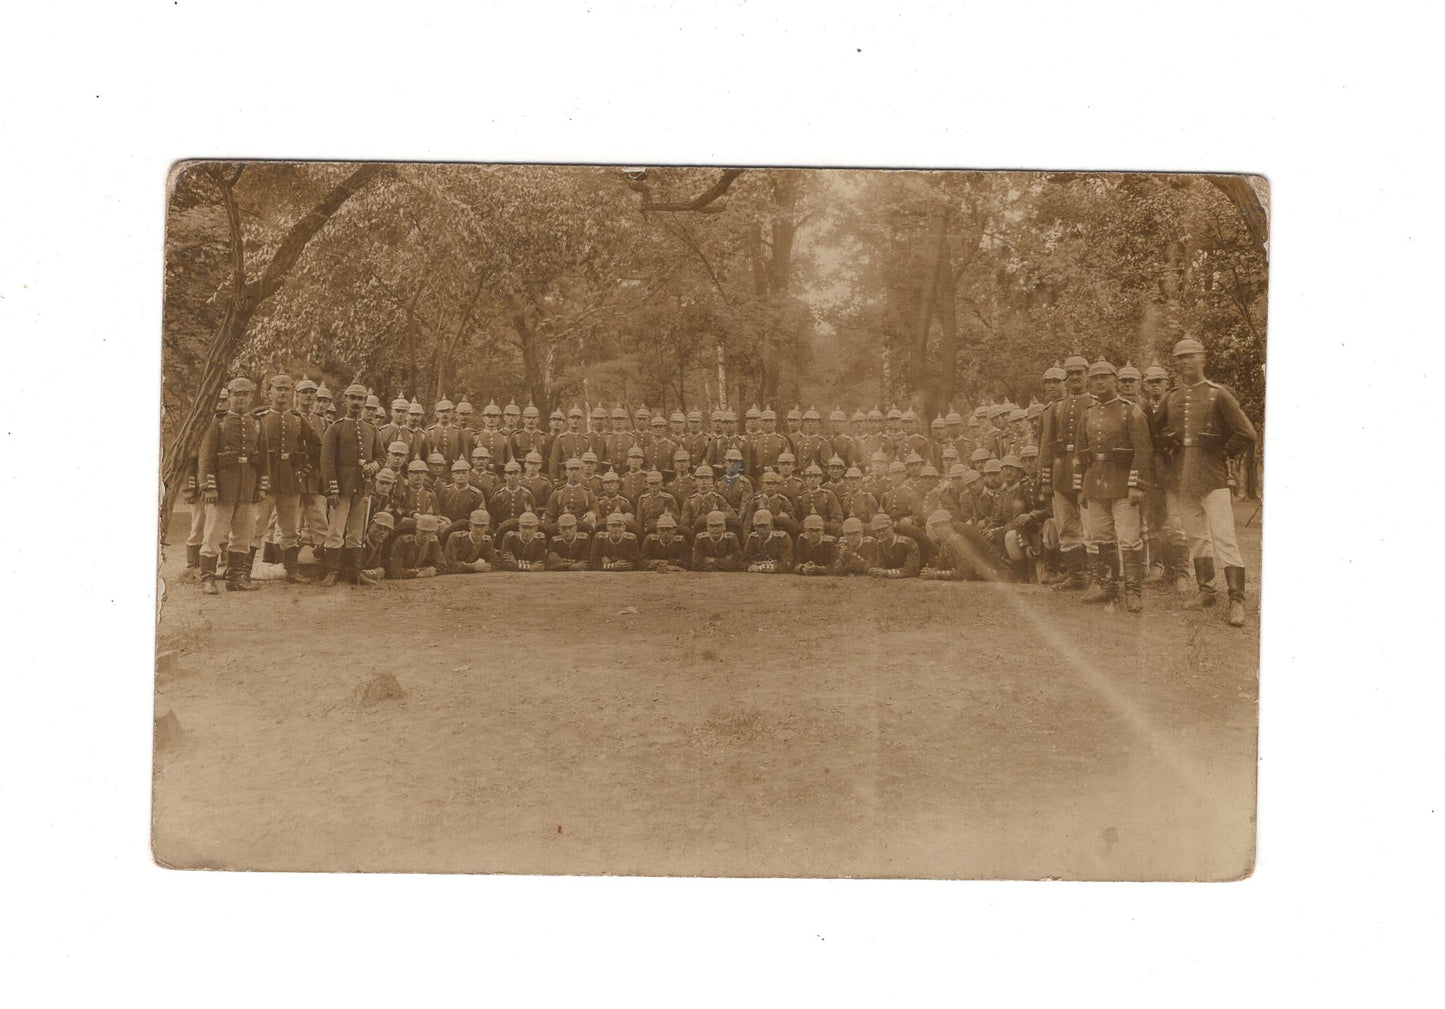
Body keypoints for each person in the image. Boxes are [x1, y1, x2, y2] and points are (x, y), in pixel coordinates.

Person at [1155, 337, 1259, 626]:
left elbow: (1247, 433)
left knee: (1224, 538)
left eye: (1190, 355)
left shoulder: (1218, 394)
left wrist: (1223, 451)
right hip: (1183, 477)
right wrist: (1167, 445)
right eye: (1180, 357)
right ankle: (1207, 591)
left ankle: (1237, 600)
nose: (1185, 361)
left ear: (1203, 358)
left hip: (1213, 477)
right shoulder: (1171, 397)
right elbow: (1154, 431)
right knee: (1196, 538)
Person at [1073, 360, 1154, 611]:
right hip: (1095, 483)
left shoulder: (1130, 411)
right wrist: (1080, 487)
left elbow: (1143, 450)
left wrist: (1136, 484)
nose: (1099, 382)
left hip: (1122, 482)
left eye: (1104, 377)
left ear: (1114, 380)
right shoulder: (1088, 413)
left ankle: (1133, 591)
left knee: (1129, 539)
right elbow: (1080, 453)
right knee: (1101, 537)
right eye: (1094, 378)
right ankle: (1107, 586)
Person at [198, 377, 271, 594]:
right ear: (229, 396)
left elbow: (264, 459)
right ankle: (208, 579)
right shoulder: (218, 422)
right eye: (236, 394)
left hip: (247, 489)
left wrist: (262, 486)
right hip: (222, 489)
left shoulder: (257, 423)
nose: (240, 398)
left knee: (243, 535)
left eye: (245, 394)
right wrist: (209, 486)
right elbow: (206, 458)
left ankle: (235, 578)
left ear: (251, 397)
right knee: (213, 535)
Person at [252, 374, 321, 584]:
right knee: (257, 526)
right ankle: (242, 572)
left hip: (291, 482)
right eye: (278, 389)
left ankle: (291, 571)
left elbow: (316, 446)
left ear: (292, 393)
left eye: (286, 389)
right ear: (269, 392)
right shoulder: (260, 418)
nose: (282, 393)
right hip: (266, 481)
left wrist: (304, 469)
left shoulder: (297, 419)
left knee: (290, 529)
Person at [318, 384, 387, 587]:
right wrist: (331, 490)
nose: (356, 402)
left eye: (360, 399)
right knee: (335, 530)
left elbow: (381, 456)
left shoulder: (372, 429)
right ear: (345, 400)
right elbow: (327, 462)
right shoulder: (335, 428)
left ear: (365, 402)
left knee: (357, 531)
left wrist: (373, 467)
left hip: (363, 486)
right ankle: (332, 571)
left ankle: (355, 572)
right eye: (352, 398)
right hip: (341, 487)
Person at [1037, 355, 1094, 591]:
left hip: (1088, 472)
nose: (1074, 378)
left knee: (1092, 525)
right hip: (1061, 473)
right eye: (1070, 374)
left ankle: (1096, 575)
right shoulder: (1056, 408)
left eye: (1079, 373)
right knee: (1067, 526)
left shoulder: (1094, 403)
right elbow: (1046, 446)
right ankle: (1076, 575)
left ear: (1087, 375)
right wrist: (1046, 479)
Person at [919, 509, 1012, 582]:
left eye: (942, 525)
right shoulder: (945, 543)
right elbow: (942, 565)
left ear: (950, 524)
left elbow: (965, 573)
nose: (939, 529)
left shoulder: (959, 540)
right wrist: (932, 571)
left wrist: (937, 574)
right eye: (935, 527)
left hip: (995, 573)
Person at [544, 457, 600, 534]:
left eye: (577, 469)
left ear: (581, 471)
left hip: (580, 526)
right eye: (571, 469)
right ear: (566, 472)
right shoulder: (558, 492)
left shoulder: (587, 492)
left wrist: (592, 513)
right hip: (562, 526)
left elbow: (595, 510)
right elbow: (549, 514)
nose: (574, 472)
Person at [680, 465, 738, 534]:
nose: (704, 481)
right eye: (700, 478)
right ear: (696, 481)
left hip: (715, 531)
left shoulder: (718, 498)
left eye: (707, 478)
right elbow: (684, 523)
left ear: (711, 480)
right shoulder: (690, 500)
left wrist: (717, 515)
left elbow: (731, 515)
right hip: (695, 532)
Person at [387, 512, 443, 580]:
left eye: (430, 533)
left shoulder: (434, 542)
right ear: (417, 530)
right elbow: (394, 571)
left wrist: (430, 570)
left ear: (435, 533)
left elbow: (442, 566)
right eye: (423, 532)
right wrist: (419, 573)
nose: (426, 536)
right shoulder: (402, 542)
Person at [794, 462, 844, 536]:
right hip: (806, 531)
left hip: (825, 531)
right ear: (806, 480)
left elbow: (837, 518)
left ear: (821, 479)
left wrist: (824, 526)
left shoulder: (828, 495)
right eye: (810, 477)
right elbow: (797, 518)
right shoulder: (801, 497)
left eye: (816, 476)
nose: (813, 479)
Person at [489, 461, 536, 535]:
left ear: (520, 475)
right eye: (510, 473)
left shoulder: (527, 495)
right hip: (502, 529)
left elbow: (533, 514)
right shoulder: (498, 495)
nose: (512, 476)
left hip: (521, 530)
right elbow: (491, 516)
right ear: (505, 476)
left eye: (515, 473)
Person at [742, 509, 793, 573]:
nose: (761, 529)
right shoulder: (752, 538)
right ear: (754, 527)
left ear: (772, 525)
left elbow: (787, 563)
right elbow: (745, 560)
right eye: (758, 526)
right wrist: (749, 567)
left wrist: (764, 568)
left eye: (764, 526)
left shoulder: (782, 538)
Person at [356, 510, 394, 585]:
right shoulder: (359, 542)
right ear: (370, 526)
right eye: (379, 527)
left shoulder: (380, 544)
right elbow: (352, 571)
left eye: (386, 529)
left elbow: (377, 567)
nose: (382, 532)